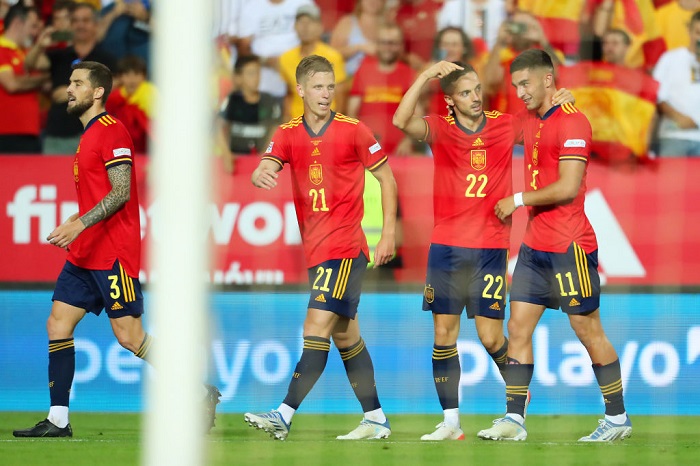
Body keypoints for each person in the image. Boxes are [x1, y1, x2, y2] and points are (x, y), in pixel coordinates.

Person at [12, 61, 219, 438]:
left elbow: (121, 193)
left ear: (97, 92)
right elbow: (99, 193)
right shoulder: (88, 135)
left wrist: (79, 222)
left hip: (113, 253)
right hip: (85, 251)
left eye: (77, 83)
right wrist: (79, 219)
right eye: (70, 82)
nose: (69, 88)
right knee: (57, 323)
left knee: (129, 337)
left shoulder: (112, 130)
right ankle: (58, 419)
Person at [477, 49, 631, 442]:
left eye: (525, 84)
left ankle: (617, 419)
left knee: (587, 329)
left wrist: (518, 199)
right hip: (535, 246)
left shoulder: (574, 120)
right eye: (515, 87)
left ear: (548, 80)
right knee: (518, 327)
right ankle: (514, 419)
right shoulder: (527, 120)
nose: (520, 92)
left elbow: (566, 186)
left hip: (570, 246)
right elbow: (481, 130)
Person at [244, 54, 397, 441]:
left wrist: (388, 233)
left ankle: (284, 413)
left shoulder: (355, 130)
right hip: (316, 250)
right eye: (318, 86)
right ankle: (376, 417)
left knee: (315, 327)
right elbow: (269, 161)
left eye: (330, 86)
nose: (326, 94)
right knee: (346, 337)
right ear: (300, 89)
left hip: (344, 247)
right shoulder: (288, 131)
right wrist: (261, 170)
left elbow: (388, 180)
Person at [44, 3, 116, 155]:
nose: (80, 25)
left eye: (85, 20)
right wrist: (40, 44)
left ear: (96, 25)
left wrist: (70, 92)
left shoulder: (108, 59)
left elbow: (114, 89)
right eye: (76, 21)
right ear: (70, 25)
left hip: (95, 138)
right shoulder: (59, 55)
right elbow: (31, 65)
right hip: (58, 137)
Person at [347, 22, 415, 155]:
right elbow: (351, 112)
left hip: (399, 153)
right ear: (377, 44)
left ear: (401, 46)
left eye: (393, 43)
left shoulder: (409, 74)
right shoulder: (363, 71)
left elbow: (418, 114)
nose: (387, 47)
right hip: (366, 151)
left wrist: (408, 141)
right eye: (383, 42)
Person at [279, 3, 347, 120]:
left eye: (310, 22)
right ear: (294, 26)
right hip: (297, 124)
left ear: (320, 27)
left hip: (325, 123)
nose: (305, 27)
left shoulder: (333, 56)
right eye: (301, 22)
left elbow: (341, 97)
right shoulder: (286, 58)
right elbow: (289, 94)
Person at [218, 54, 282, 172]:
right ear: (238, 78)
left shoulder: (269, 101)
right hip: (238, 163)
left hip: (261, 164)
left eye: (258, 73)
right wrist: (226, 154)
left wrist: (265, 156)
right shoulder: (232, 101)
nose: (256, 78)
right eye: (251, 73)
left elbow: (276, 130)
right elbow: (220, 129)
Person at [0, 3, 49, 153]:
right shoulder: (2, 48)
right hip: (7, 133)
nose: (35, 32)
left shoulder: (27, 53)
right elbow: (12, 84)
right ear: (17, 23)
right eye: (33, 26)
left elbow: (48, 83)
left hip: (32, 131)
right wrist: (42, 79)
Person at [653, 11, 700, 157]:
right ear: (689, 31)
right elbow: (656, 95)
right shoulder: (670, 58)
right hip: (673, 137)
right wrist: (679, 117)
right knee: (671, 181)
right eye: (698, 32)